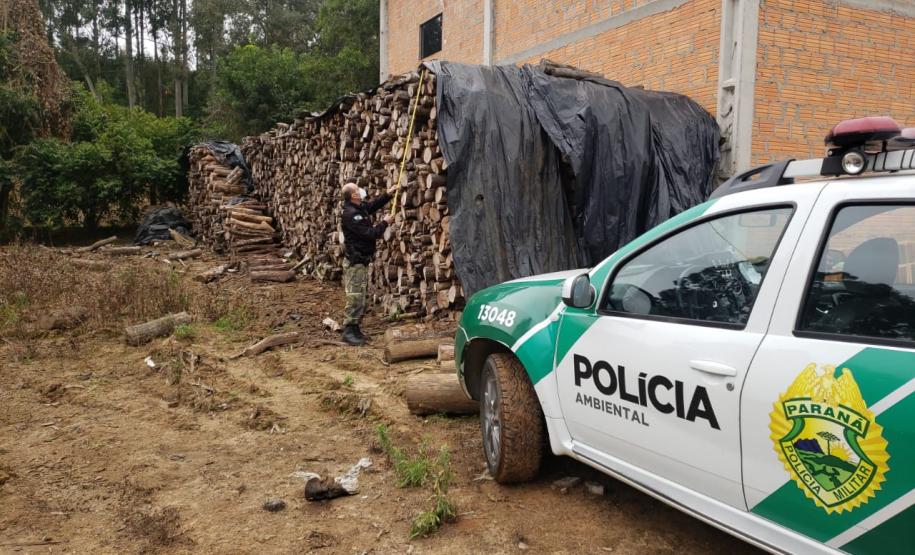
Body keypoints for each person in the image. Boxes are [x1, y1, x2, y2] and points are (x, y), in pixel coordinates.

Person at [340, 182, 395, 345]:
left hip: (361, 260)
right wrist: (385, 223)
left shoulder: (358, 208)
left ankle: (355, 328)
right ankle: (348, 331)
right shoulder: (351, 215)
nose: (360, 190)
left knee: (360, 296)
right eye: (357, 189)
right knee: (355, 297)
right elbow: (371, 234)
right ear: (354, 195)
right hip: (355, 262)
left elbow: (371, 206)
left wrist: (388, 194)